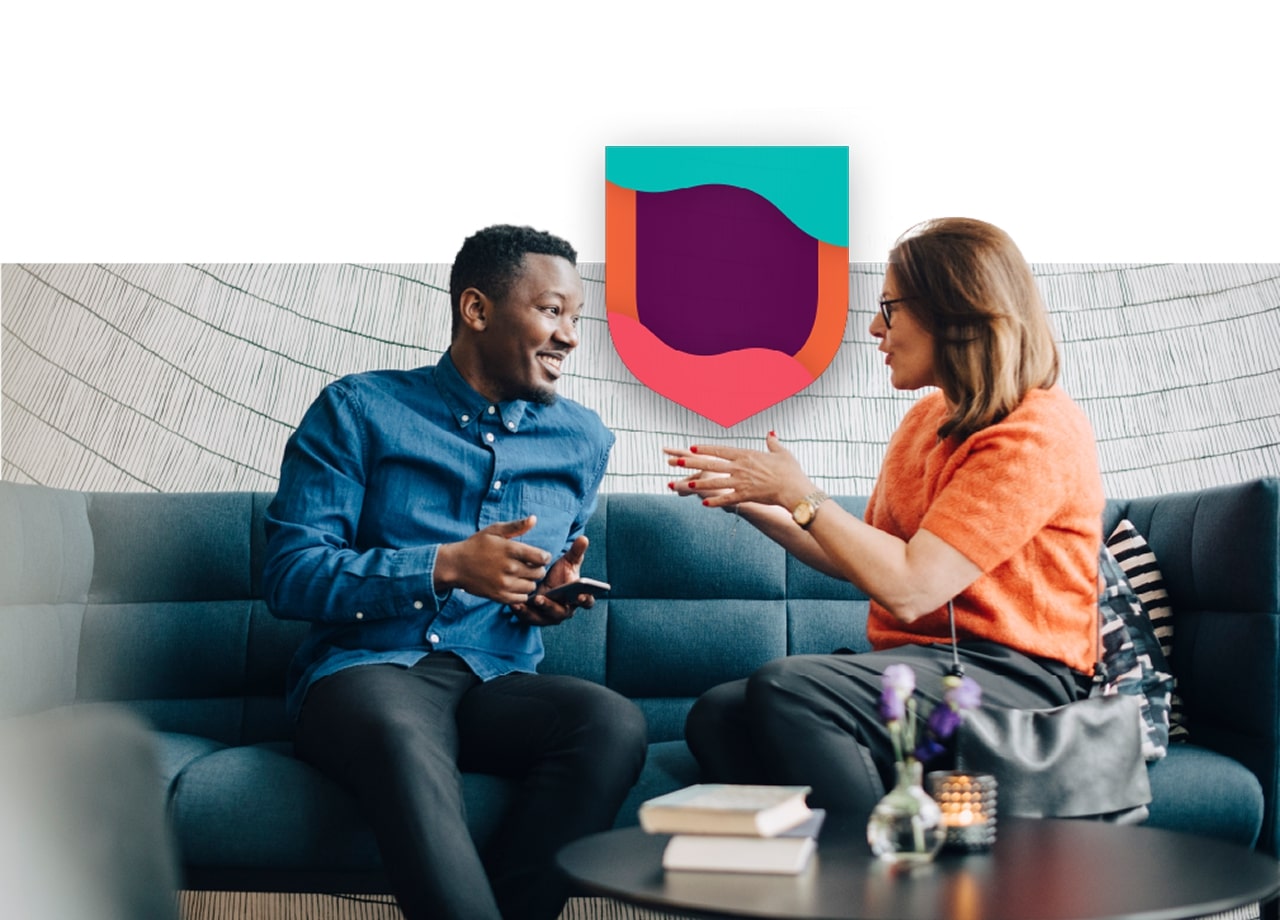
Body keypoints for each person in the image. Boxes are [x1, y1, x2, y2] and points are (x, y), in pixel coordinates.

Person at [263, 225, 648, 920]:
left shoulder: (582, 439)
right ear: (476, 310)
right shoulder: (359, 410)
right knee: (399, 730)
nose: (570, 337)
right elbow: (292, 575)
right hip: (365, 672)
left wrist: (545, 595)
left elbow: (535, 577)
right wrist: (443, 567)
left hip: (497, 679)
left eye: (576, 319)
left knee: (610, 722)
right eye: (551, 310)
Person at [666, 217, 1103, 818]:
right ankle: (821, 875)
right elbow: (865, 558)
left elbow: (910, 586)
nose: (875, 328)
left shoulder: (1035, 433)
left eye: (890, 309)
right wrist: (755, 499)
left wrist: (801, 494)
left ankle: (884, 887)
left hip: (1021, 678)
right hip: (924, 669)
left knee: (789, 689)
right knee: (720, 715)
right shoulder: (925, 420)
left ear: (956, 312)